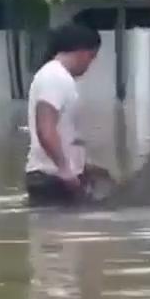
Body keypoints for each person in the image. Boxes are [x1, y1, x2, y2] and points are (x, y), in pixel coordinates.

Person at [24, 23, 104, 207]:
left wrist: (82, 166)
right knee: (59, 225)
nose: (90, 65)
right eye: (91, 57)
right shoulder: (54, 77)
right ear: (83, 52)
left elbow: (63, 131)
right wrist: (65, 170)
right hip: (52, 178)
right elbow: (45, 129)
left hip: (55, 176)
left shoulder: (58, 77)